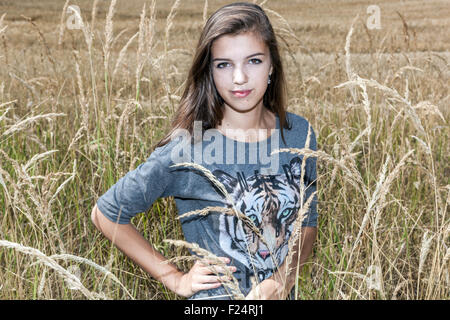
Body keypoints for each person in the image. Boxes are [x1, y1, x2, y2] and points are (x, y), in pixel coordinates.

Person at [91, 2, 318, 300]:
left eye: (254, 61)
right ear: (209, 71)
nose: (239, 78)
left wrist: (281, 279)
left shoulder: (299, 133)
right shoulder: (190, 148)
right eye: (224, 64)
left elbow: (307, 223)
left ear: (272, 64)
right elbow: (105, 214)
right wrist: (174, 278)